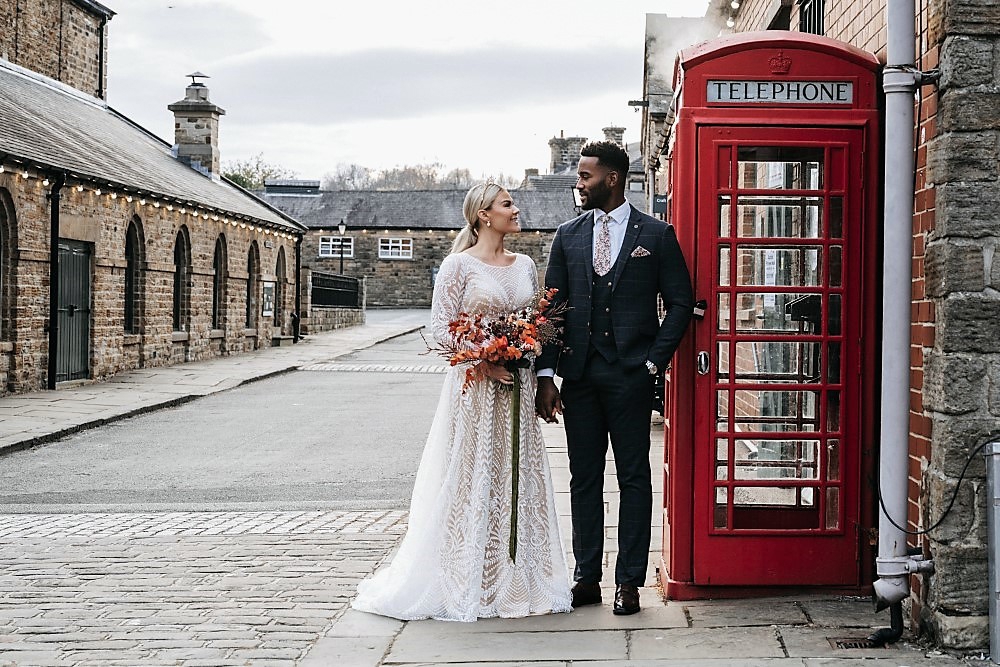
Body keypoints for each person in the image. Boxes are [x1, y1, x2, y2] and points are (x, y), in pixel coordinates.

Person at [352, 182, 573, 622]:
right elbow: (441, 328)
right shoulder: (457, 266)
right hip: (475, 390)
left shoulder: (526, 264)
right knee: (472, 477)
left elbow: (536, 323)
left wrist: (525, 353)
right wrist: (482, 359)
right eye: (508, 204)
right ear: (483, 215)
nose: (516, 209)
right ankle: (468, 578)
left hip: (517, 389)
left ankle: (516, 581)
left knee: (516, 478)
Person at [535, 141, 693, 615]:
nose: (578, 183)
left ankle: (630, 583)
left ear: (613, 178)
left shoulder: (657, 235)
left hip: (630, 375)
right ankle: (587, 579)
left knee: (634, 478)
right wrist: (547, 375)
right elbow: (550, 311)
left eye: (585, 176)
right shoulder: (568, 235)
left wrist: (653, 362)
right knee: (583, 478)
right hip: (579, 375)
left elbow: (681, 304)